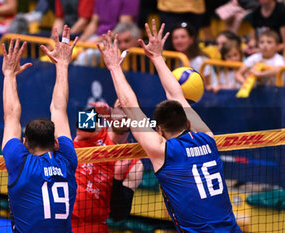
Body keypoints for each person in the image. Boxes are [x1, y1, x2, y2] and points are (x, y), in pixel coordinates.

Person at [96, 19, 242, 232]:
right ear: (188, 122)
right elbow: (178, 97)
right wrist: (157, 57)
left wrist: (114, 67)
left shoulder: (162, 150)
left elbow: (130, 105)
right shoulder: (207, 137)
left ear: (160, 130)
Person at [1, 25, 79, 232]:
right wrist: (62, 64)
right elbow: (59, 109)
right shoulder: (67, 160)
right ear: (56, 143)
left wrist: (9, 75)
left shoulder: (19, 162)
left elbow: (11, 116)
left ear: (24, 143)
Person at [71, 100, 143, 233]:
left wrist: (117, 177)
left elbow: (118, 215)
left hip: (95, 226)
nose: (123, 114)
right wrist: (97, 113)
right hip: (66, 219)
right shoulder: (96, 132)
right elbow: (82, 122)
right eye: (120, 109)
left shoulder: (135, 163)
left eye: (128, 110)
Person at [168, 21, 217, 87]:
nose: (179, 41)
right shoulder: (175, 59)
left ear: (191, 39)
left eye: (183, 37)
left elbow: (207, 87)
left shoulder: (200, 60)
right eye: (175, 38)